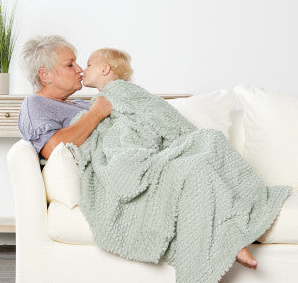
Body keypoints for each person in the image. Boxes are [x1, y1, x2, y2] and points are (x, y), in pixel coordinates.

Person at [18, 35, 257, 271]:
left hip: (138, 150)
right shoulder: (35, 105)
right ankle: (229, 239)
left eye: (78, 62)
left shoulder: (81, 103)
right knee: (189, 169)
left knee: (208, 145)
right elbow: (53, 147)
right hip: (110, 170)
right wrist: (97, 114)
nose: (79, 69)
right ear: (45, 75)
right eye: (70, 64)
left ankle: (233, 226)